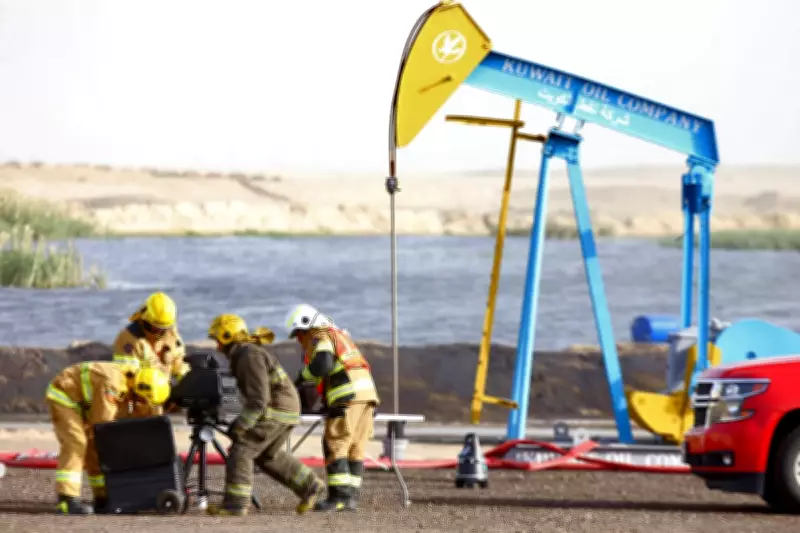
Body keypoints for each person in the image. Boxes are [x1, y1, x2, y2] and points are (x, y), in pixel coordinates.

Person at [205, 313, 325, 516]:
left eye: (218, 340)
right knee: (267, 455)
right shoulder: (247, 354)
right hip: (286, 409)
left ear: (227, 337)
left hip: (277, 409)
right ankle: (310, 486)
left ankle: (235, 504)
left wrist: (241, 426)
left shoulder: (248, 356)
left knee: (242, 449)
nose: (217, 347)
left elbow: (259, 400)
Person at [286, 303, 380, 512]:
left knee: (335, 445)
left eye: (299, 334)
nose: (299, 340)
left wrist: (301, 377)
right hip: (367, 397)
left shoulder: (321, 337)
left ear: (307, 328)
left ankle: (338, 498)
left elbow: (323, 364)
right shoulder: (342, 338)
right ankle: (350, 499)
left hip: (347, 397)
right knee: (355, 448)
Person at [45, 361, 171, 515]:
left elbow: (144, 414)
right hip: (65, 397)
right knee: (77, 443)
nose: (141, 404)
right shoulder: (112, 384)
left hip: (88, 405)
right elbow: (103, 424)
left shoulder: (140, 384)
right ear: (137, 390)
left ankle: (102, 498)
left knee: (95, 447)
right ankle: (67, 500)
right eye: (142, 401)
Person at [111, 291, 189, 418]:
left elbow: (179, 363)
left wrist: (186, 385)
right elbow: (127, 379)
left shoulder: (171, 335)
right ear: (144, 320)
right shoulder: (129, 340)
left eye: (163, 329)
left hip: (163, 398)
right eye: (155, 328)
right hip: (139, 402)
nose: (159, 333)